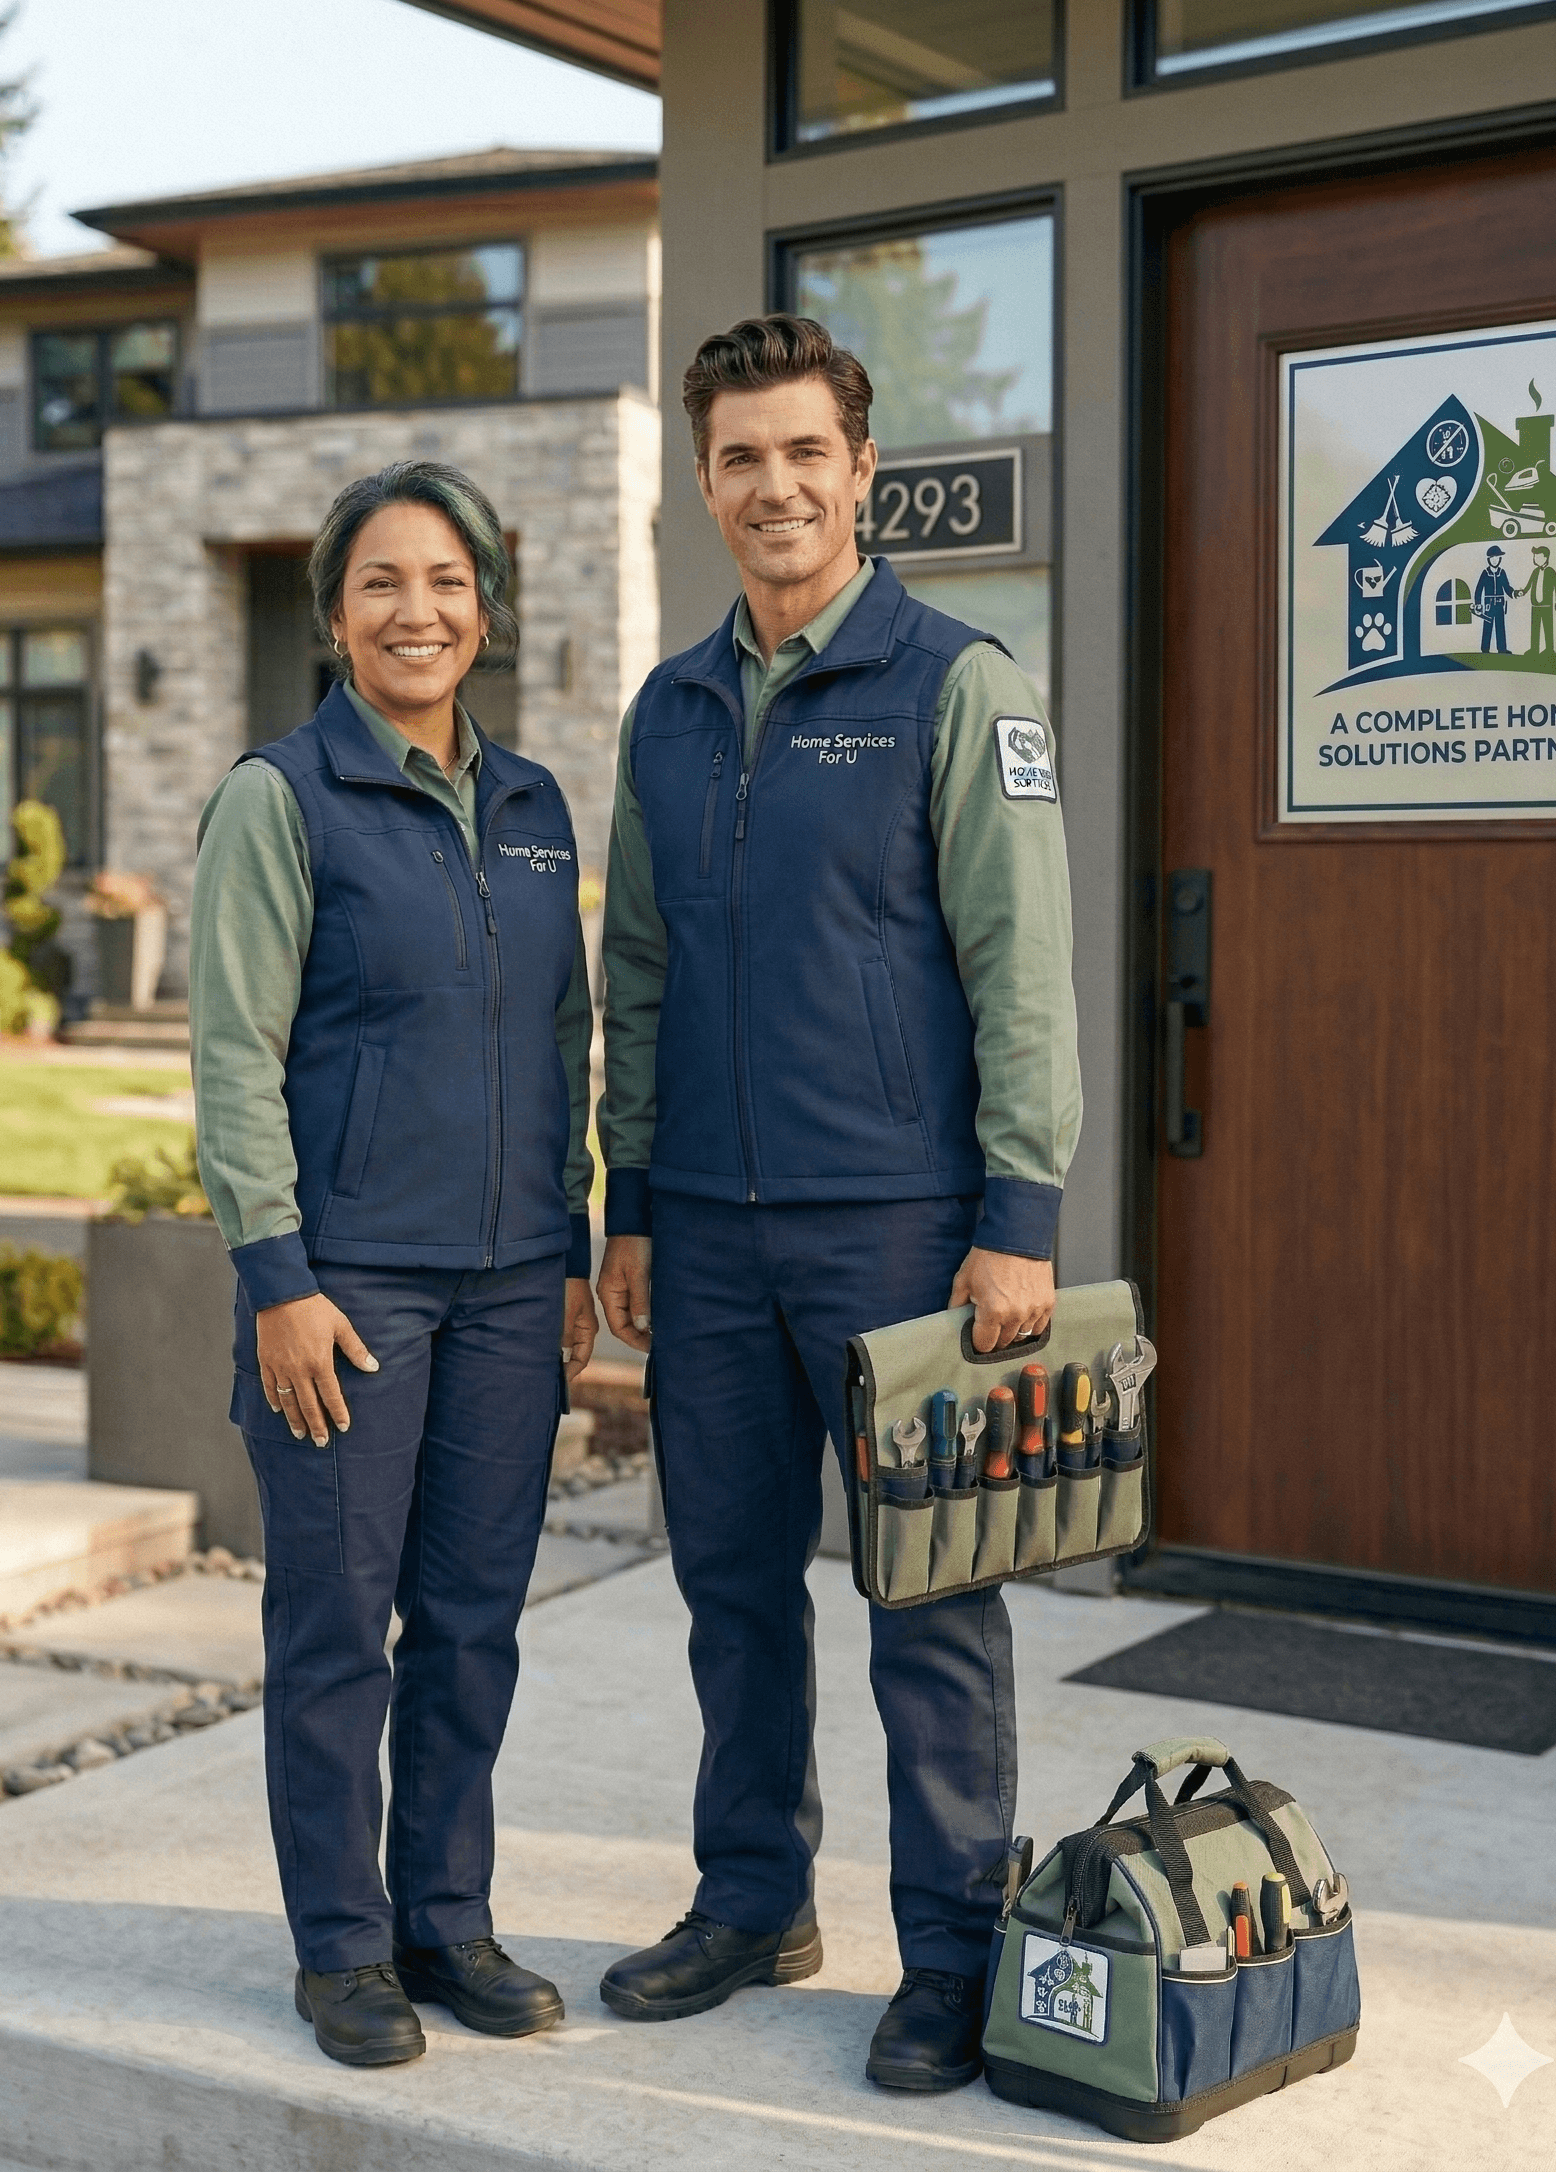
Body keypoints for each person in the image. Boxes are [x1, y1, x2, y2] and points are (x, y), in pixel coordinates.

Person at [594, 317, 1080, 2092]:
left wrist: (1016, 1212)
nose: (774, 486)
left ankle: (950, 1947)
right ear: (705, 481)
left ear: (862, 472)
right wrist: (626, 1198)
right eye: (740, 457)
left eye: (805, 452)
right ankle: (751, 1899)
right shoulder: (669, 710)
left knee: (929, 1605)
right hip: (705, 1239)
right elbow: (631, 967)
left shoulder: (959, 686)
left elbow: (1022, 971)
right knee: (729, 1584)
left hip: (898, 1230)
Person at [190, 460, 599, 2069]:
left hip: (510, 1286)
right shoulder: (279, 799)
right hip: (347, 1290)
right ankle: (342, 1947)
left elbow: (562, 1040)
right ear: (336, 617)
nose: (416, 609)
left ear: (485, 608)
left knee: (475, 1616)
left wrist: (567, 1248)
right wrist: (278, 1276)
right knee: (337, 1627)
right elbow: (235, 1055)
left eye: (446, 581)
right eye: (382, 583)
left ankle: (447, 1919)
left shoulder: (539, 809)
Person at [1475, 544, 1515, 654]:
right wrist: (1478, 604)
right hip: (1488, 604)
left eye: (1497, 558)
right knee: (1487, 626)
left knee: (1500, 626)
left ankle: (1502, 649)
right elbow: (1478, 590)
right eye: (1492, 558)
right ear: (1488, 559)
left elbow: (1507, 587)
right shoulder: (1485, 573)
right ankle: (1485, 649)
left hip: (1499, 605)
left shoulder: (1502, 573)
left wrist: (1514, 593)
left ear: (1500, 559)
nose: (1494, 560)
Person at [1525, 544, 1556, 658]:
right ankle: (1534, 650)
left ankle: (1550, 650)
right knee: (1535, 629)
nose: (1535, 559)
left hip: (1546, 606)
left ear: (1545, 558)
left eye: (1538, 557)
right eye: (1535, 557)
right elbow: (1529, 585)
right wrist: (1522, 592)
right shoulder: (1535, 571)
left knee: (1548, 628)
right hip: (1535, 605)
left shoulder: (1551, 571)